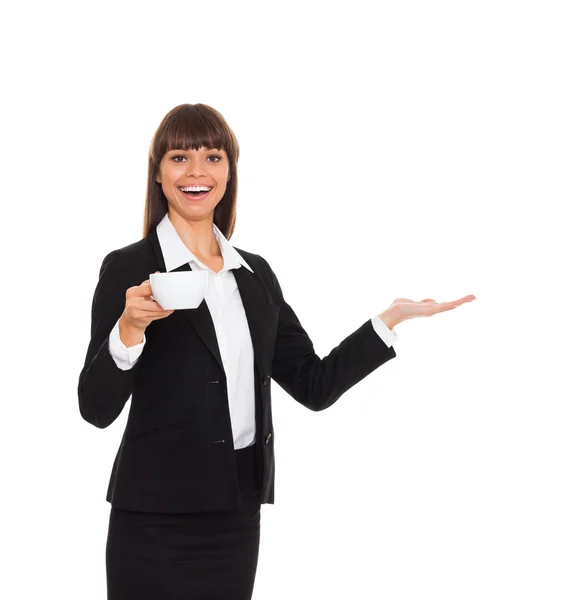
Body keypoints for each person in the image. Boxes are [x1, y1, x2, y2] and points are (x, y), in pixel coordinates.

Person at [77, 103, 476, 599]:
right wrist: (129, 330)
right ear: (158, 173)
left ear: (230, 172)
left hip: (236, 517)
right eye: (180, 157)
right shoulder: (128, 268)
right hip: (153, 521)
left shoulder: (256, 276)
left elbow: (314, 384)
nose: (197, 171)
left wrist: (387, 321)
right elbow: (95, 410)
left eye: (213, 157)